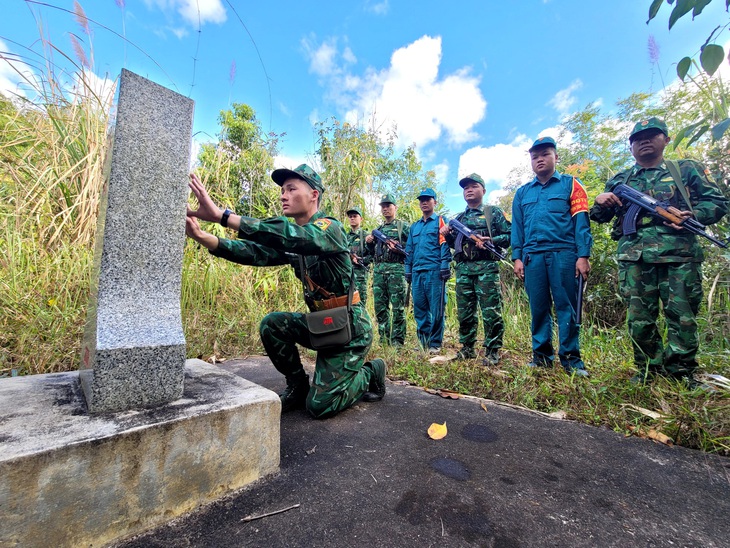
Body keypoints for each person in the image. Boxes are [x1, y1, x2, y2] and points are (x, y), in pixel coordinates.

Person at [185, 164, 386, 419]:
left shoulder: (330, 229)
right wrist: (204, 237)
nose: (283, 195)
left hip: (350, 331)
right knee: (273, 325)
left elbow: (294, 236)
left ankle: (370, 373)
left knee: (320, 406)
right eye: (282, 190)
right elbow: (256, 252)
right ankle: (298, 385)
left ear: (314, 195)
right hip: (323, 325)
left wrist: (223, 216)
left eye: (291, 189)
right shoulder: (296, 240)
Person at [590, 117, 728, 385]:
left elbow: (718, 202)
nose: (643, 140)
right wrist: (601, 200)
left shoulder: (686, 170)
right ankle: (647, 370)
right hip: (636, 257)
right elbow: (598, 216)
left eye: (652, 135)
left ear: (665, 139)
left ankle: (681, 373)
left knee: (683, 316)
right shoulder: (622, 179)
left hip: (680, 255)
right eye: (637, 138)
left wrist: (693, 214)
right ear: (630, 147)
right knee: (640, 318)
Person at [511, 136, 592, 377]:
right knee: (538, 307)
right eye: (535, 156)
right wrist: (517, 257)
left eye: (545, 154)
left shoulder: (571, 185)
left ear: (556, 157)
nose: (540, 160)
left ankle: (571, 359)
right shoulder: (522, 193)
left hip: (565, 254)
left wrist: (583, 255)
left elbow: (581, 223)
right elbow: (518, 228)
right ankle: (541, 357)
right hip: (532, 257)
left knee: (567, 307)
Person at [441, 173, 511, 366]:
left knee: (490, 311)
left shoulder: (493, 213)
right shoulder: (459, 218)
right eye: (465, 188)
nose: (469, 190)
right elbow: (454, 245)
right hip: (463, 269)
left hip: (486, 269)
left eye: (473, 186)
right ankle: (467, 348)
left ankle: (492, 351)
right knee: (465, 312)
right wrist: (446, 233)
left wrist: (490, 241)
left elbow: (510, 235)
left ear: (483, 190)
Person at [405, 188, 452, 353]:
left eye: (428, 199)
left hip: (435, 272)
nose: (424, 202)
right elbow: (409, 249)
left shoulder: (441, 221)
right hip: (417, 272)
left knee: (437, 309)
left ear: (434, 202)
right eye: (421, 200)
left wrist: (445, 264)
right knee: (420, 309)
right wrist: (408, 269)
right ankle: (423, 342)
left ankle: (435, 344)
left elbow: (444, 244)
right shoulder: (414, 227)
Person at [365, 194, 410, 347]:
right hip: (379, 271)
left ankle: (397, 341)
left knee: (397, 307)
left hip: (397, 269)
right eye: (383, 206)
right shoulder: (378, 229)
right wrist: (369, 242)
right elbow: (371, 253)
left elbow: (412, 247)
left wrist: (399, 248)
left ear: (395, 207)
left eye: (388, 205)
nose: (385, 209)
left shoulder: (403, 227)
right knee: (380, 307)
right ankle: (384, 340)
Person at [346, 207, 372, 307]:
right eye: (350, 216)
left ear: (361, 219)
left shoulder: (365, 236)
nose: (352, 218)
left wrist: (362, 260)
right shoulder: (345, 236)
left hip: (359, 276)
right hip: (347, 275)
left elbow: (373, 255)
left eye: (355, 216)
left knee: (360, 305)